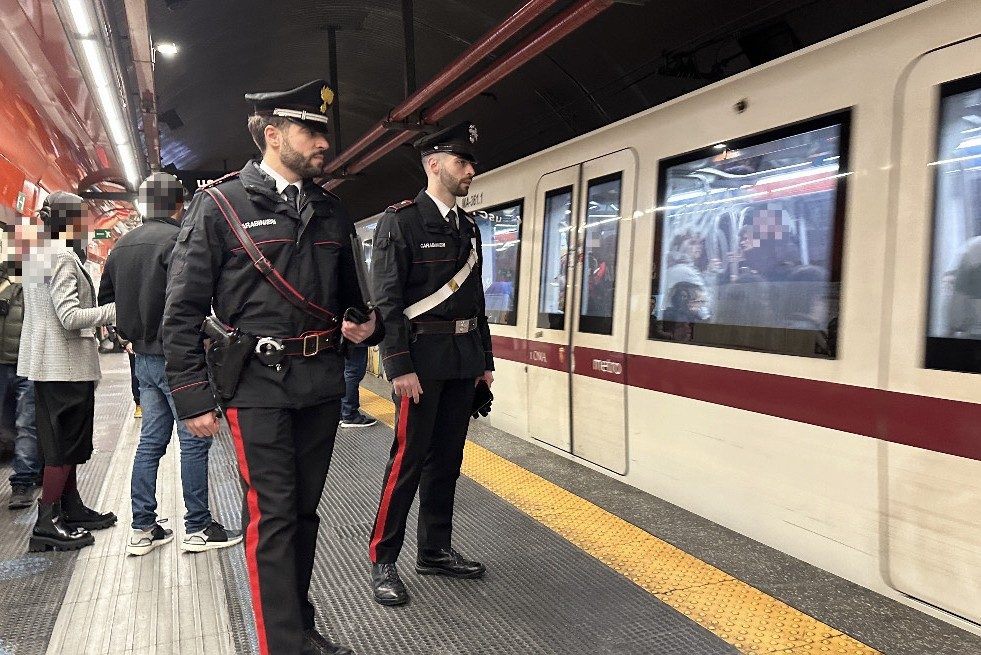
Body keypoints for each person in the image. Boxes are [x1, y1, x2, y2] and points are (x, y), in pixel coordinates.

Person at [162, 79, 379, 655]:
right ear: (274, 134)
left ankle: (298, 627)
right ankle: (280, 645)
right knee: (274, 515)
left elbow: (353, 299)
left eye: (325, 133)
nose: (324, 145)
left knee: (303, 513)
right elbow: (181, 309)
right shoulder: (223, 206)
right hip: (255, 385)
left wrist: (364, 324)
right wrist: (192, 395)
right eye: (312, 132)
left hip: (319, 380)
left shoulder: (331, 209)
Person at [368, 120, 494, 607]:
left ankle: (435, 549)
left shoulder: (468, 227)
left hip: (462, 362)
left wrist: (484, 361)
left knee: (448, 461)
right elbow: (388, 300)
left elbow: (476, 301)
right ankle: (383, 559)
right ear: (435, 164)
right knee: (407, 461)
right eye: (463, 163)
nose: (470, 171)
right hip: (420, 362)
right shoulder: (401, 222)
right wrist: (398, 366)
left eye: (471, 164)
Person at [99, 172, 242, 556]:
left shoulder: (119, 247)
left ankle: (143, 528)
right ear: (180, 204)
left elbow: (106, 301)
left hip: (143, 359)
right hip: (179, 359)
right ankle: (197, 527)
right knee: (194, 441)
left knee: (150, 444)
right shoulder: (180, 240)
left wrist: (128, 337)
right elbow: (195, 298)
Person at [19, 192, 117, 552]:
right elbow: (69, 317)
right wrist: (113, 311)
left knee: (64, 441)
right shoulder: (61, 257)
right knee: (62, 445)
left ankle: (70, 509)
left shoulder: (36, 254)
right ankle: (47, 524)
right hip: (66, 365)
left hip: (48, 364)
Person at [0, 261, 41, 510]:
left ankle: (22, 481)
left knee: (26, 424)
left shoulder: (39, 280)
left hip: (28, 365)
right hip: (1, 364)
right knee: (7, 424)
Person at [339, 345, 377, 428]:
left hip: (346, 340)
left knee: (345, 371)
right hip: (356, 339)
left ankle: (342, 412)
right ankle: (350, 415)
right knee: (353, 373)